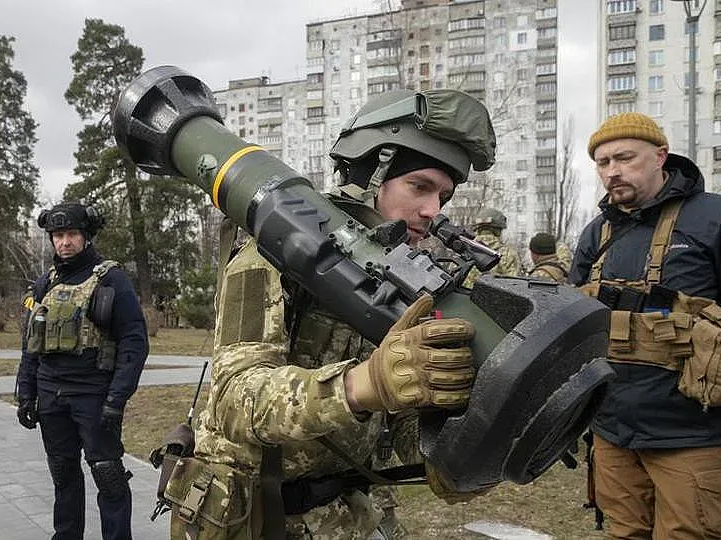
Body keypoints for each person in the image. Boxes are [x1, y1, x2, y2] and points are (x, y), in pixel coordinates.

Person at [163, 89, 493, 539]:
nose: (432, 211)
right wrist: (365, 384)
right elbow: (235, 400)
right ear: (372, 175)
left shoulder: (410, 276)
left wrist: (454, 446)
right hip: (259, 514)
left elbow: (401, 418)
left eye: (443, 196)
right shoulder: (276, 250)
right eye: (420, 186)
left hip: (348, 514)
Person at [570, 112, 721, 539]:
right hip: (612, 430)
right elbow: (570, 329)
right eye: (602, 163)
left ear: (660, 156)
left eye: (624, 158)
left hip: (693, 434)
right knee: (623, 534)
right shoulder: (597, 233)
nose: (612, 172)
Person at [16, 202, 149, 540]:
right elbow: (32, 341)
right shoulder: (45, 283)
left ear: (86, 236)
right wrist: (26, 392)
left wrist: (116, 399)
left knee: (108, 475)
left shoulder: (111, 279)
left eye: (72, 234)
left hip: (93, 393)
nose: (65, 242)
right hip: (51, 393)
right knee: (63, 474)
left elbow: (134, 342)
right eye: (58, 235)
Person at [462, 207, 522, 287]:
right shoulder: (509, 254)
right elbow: (515, 287)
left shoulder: (463, 250)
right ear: (499, 230)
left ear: (477, 228)